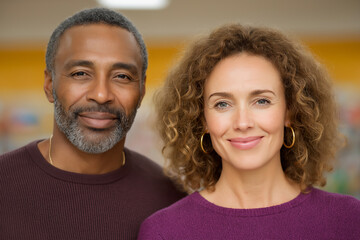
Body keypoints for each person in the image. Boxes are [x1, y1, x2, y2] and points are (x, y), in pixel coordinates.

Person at [138, 24, 360, 239]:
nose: (242, 123)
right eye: (222, 104)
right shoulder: (165, 231)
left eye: (262, 101)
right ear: (202, 118)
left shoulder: (349, 220)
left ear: (290, 112)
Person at [0, 8, 185, 239]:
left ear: (142, 90)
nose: (101, 94)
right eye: (80, 73)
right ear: (49, 84)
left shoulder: (172, 200)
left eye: (122, 77)